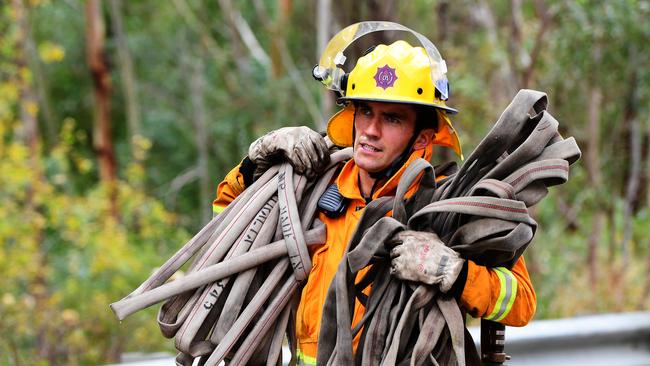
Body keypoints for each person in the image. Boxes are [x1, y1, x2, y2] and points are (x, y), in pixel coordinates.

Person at [212, 26, 536, 365]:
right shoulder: (314, 189)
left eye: (391, 118)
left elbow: (521, 303)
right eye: (365, 111)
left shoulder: (451, 208)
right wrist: (255, 161)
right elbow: (226, 231)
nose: (370, 130)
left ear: (423, 138)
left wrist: (453, 272)